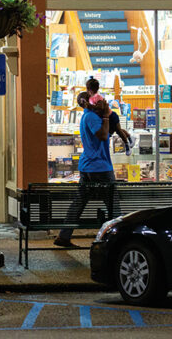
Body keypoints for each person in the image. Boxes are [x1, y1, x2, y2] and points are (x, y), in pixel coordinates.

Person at [54, 92, 120, 247]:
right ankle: (120, 238)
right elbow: (103, 136)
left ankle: (64, 236)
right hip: (99, 167)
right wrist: (105, 116)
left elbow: (106, 133)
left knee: (80, 201)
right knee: (113, 203)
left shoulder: (89, 116)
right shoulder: (91, 117)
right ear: (86, 103)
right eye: (94, 100)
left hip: (89, 165)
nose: (98, 102)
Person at [86, 78, 135, 155]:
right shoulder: (91, 98)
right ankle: (129, 137)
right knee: (117, 130)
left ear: (89, 89)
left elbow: (101, 107)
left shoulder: (97, 97)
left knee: (118, 131)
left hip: (111, 116)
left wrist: (92, 107)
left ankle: (127, 145)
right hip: (107, 118)